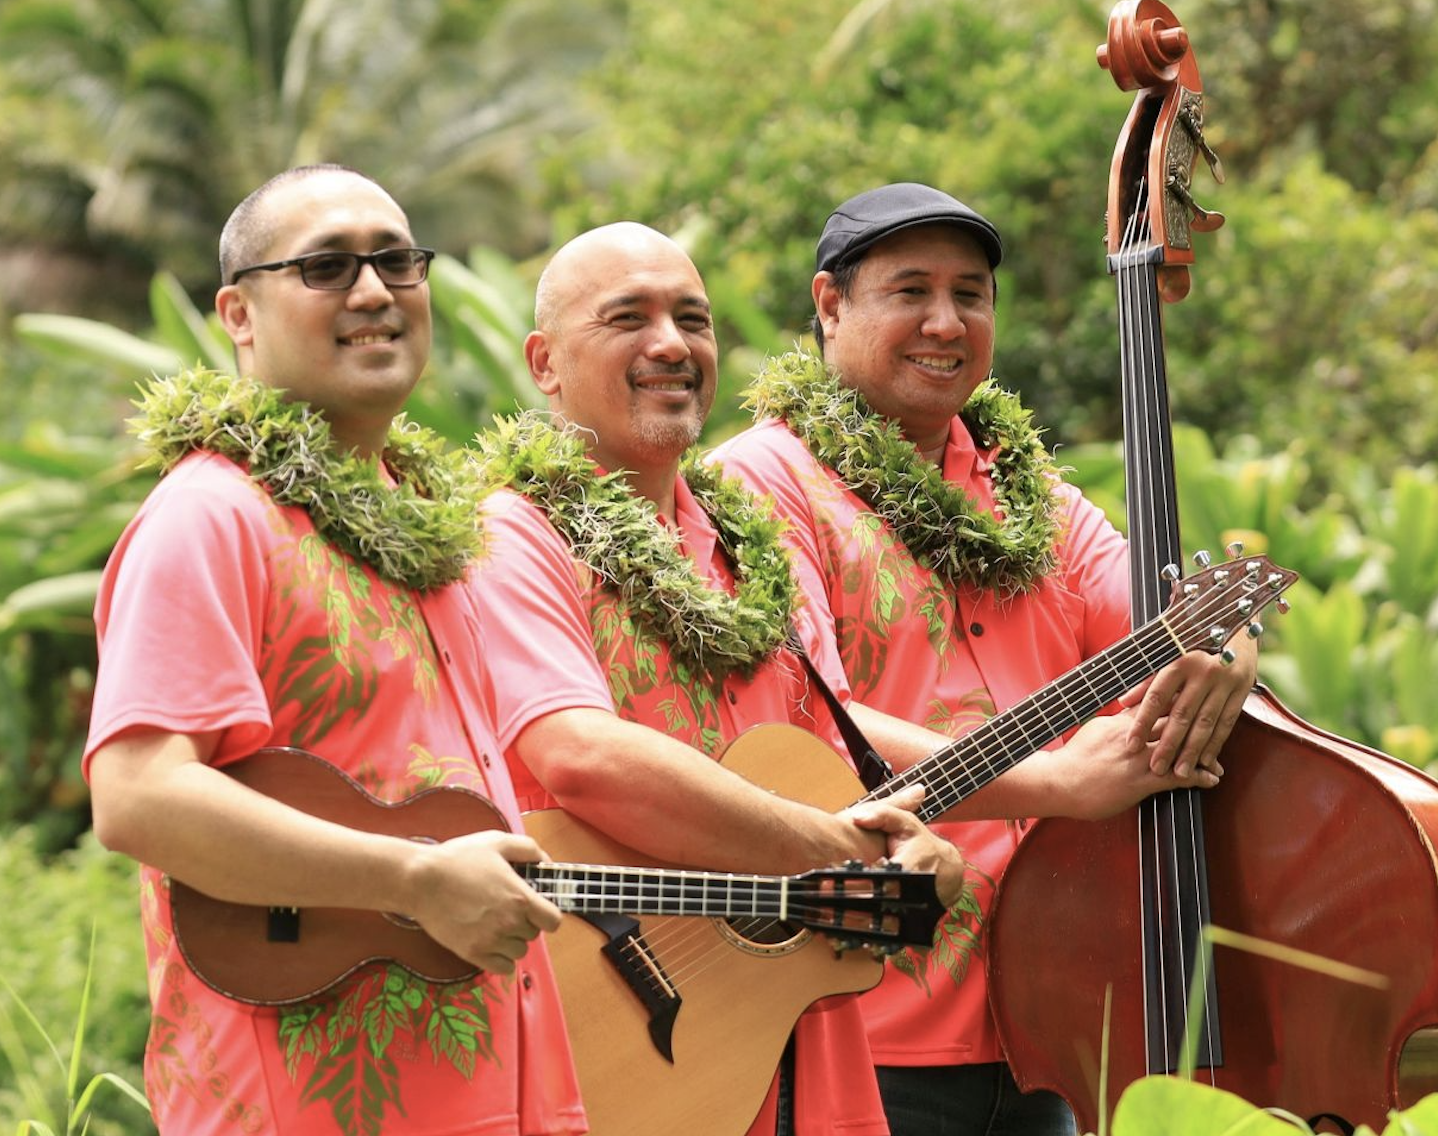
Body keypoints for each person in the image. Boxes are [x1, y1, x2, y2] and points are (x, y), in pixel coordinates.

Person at [710, 182, 1256, 1136]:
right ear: (830, 305)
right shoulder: (761, 479)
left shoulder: (1029, 488)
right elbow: (803, 718)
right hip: (858, 1011)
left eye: (971, 294)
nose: (945, 321)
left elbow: (1170, 619)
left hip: (1053, 1008)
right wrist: (1058, 782)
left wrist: (1230, 642)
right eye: (909, 290)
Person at [83, 164, 586, 1136]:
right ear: (237, 312)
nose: (372, 290)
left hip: (496, 1091)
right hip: (308, 1103)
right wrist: (410, 881)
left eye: (396, 261)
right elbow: (138, 792)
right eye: (325, 266)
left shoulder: (431, 529)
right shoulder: (212, 513)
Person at [467, 221, 968, 1136]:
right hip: (619, 1019)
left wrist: (904, 847)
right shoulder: (516, 534)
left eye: (691, 318)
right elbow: (578, 752)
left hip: (783, 1028)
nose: (671, 343)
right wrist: (834, 854)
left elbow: (833, 755)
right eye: (629, 317)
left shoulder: (750, 542)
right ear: (544, 363)